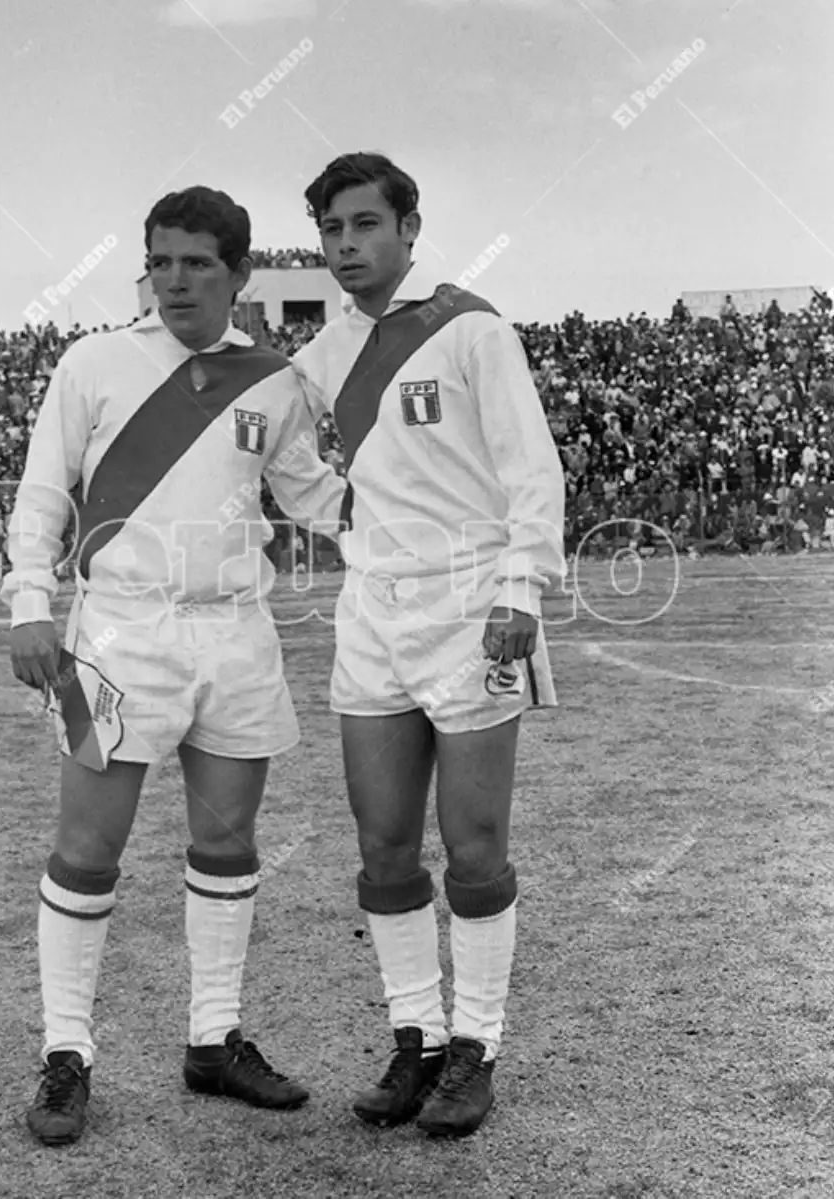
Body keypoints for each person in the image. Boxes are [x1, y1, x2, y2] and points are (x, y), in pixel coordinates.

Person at [2, 186, 346, 1147]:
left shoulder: (275, 381)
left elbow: (317, 497)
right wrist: (30, 605)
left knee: (229, 843)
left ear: (241, 274)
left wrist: (433, 501)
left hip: (236, 634)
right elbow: (41, 493)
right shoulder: (96, 361)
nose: (176, 279)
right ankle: (66, 1053)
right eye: (162, 260)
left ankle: (214, 1039)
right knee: (86, 849)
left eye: (199, 262)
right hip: (112, 633)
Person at [290, 152, 567, 1139]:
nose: (349, 246)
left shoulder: (472, 330)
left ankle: (477, 1048)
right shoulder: (318, 359)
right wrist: (334, 510)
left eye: (366, 224)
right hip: (372, 610)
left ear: (409, 227)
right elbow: (276, 456)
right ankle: (418, 1037)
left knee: (477, 848)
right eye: (333, 230)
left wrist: (521, 586)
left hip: (471, 605)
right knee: (384, 847)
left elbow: (531, 466)